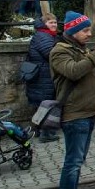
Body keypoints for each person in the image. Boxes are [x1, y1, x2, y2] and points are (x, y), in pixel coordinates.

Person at [49, 10, 95, 189]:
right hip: (74, 114)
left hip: (87, 112)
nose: (88, 34)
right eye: (84, 30)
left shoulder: (81, 48)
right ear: (73, 31)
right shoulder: (60, 51)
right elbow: (73, 72)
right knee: (72, 163)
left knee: (78, 162)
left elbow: (93, 75)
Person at [25, 13, 60, 143]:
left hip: (41, 75)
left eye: (55, 22)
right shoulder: (43, 36)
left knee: (42, 104)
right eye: (51, 22)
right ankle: (46, 133)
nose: (54, 25)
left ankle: (39, 130)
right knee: (48, 104)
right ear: (44, 24)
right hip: (43, 76)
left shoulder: (45, 35)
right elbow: (50, 54)